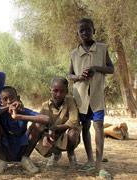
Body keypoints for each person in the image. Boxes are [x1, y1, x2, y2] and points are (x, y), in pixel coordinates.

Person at [68, 18, 114, 180]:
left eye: (88, 29)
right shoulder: (74, 54)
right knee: (85, 127)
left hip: (96, 96)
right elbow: (70, 75)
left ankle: (100, 165)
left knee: (98, 127)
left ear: (94, 30)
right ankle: (89, 159)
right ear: (78, 34)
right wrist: (79, 76)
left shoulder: (102, 49)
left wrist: (96, 68)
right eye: (81, 31)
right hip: (80, 97)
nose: (85, 33)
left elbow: (111, 68)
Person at [0, 86, 50, 174]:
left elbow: (47, 119)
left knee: (39, 124)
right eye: (5, 99)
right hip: (5, 146)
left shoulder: (22, 110)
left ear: (18, 98)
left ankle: (25, 158)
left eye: (12, 97)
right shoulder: (0, 110)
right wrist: (6, 108)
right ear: (1, 102)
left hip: (22, 145)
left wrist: (19, 116)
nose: (9, 101)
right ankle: (2, 160)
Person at [35, 76, 82, 168]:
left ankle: (71, 154)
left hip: (65, 133)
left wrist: (54, 128)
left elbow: (73, 121)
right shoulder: (45, 105)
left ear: (66, 91)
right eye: (55, 91)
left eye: (62, 91)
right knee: (38, 134)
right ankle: (55, 154)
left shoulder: (70, 102)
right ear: (50, 90)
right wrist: (45, 134)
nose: (58, 94)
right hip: (52, 135)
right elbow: (40, 123)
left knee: (73, 134)